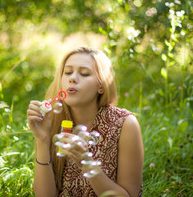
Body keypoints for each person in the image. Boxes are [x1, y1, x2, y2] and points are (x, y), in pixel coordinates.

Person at [27, 46, 144, 197]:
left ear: (101, 85)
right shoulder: (53, 122)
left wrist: (86, 164)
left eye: (84, 73)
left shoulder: (125, 124)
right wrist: (42, 139)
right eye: (68, 72)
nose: (72, 78)